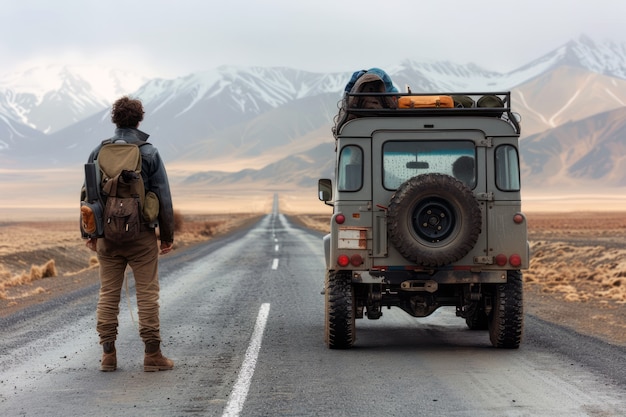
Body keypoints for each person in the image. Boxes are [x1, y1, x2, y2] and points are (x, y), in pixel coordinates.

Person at [81, 96, 175, 372]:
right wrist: (166, 235)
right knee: (147, 293)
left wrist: (89, 233)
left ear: (114, 120)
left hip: (107, 237)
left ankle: (108, 355)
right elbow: (163, 196)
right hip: (142, 236)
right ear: (139, 119)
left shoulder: (98, 152)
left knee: (108, 294)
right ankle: (152, 355)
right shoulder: (149, 152)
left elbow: (87, 195)